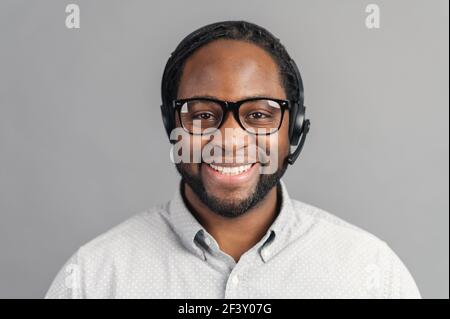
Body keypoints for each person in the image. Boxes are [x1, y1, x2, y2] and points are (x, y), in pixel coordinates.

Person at [45, 20, 420, 299]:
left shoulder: (372, 274)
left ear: (295, 128)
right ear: (170, 125)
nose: (229, 139)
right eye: (203, 114)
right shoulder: (93, 278)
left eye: (259, 114)